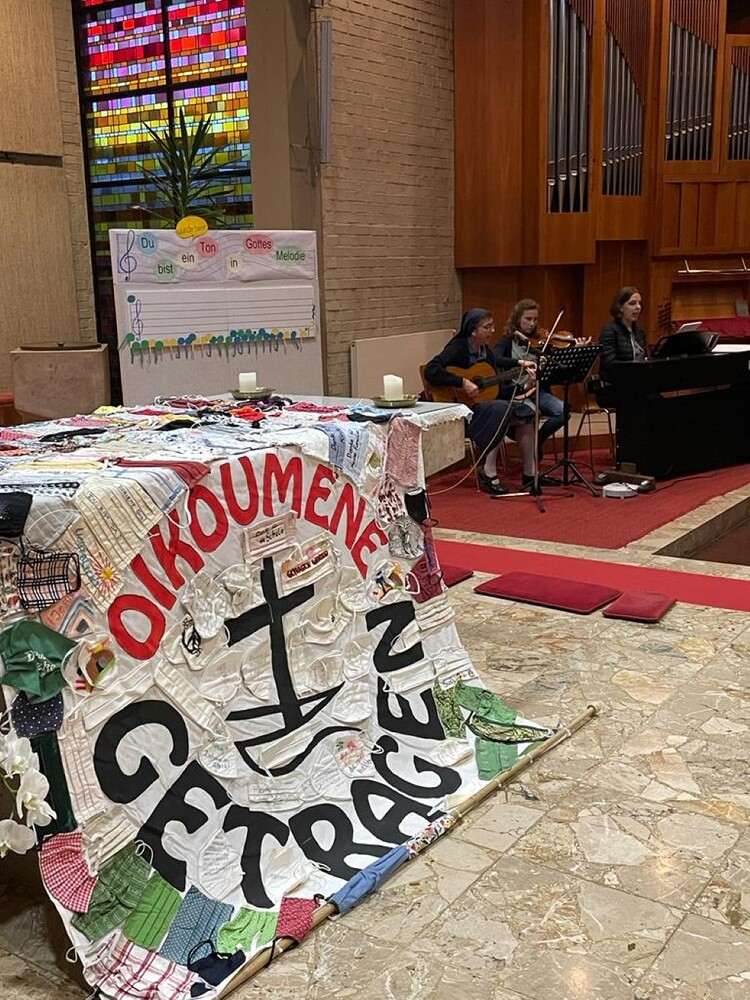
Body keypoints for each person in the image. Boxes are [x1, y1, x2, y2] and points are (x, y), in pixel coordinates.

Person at [424, 308, 546, 495]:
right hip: (461, 409)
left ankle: (530, 473)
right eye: (487, 327)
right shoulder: (458, 348)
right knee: (499, 409)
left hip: (483, 406)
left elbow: (496, 389)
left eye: (492, 326)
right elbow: (431, 370)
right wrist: (462, 382)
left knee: (526, 412)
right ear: (473, 330)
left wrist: (525, 385)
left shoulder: (486, 352)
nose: (492, 331)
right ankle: (488, 471)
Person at [497, 298, 588, 464]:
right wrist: (519, 362)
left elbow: (559, 363)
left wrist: (575, 349)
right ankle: (528, 448)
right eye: (528, 319)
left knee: (562, 412)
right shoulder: (507, 340)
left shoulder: (541, 341)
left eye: (535, 319)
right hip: (517, 392)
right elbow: (496, 359)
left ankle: (538, 440)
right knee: (529, 415)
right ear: (517, 318)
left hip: (539, 391)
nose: (532, 324)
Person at [598, 286, 647, 380]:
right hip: (616, 384)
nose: (638, 307)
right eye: (632, 303)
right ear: (620, 307)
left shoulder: (640, 332)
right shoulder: (609, 331)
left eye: (639, 303)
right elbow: (610, 365)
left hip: (637, 382)